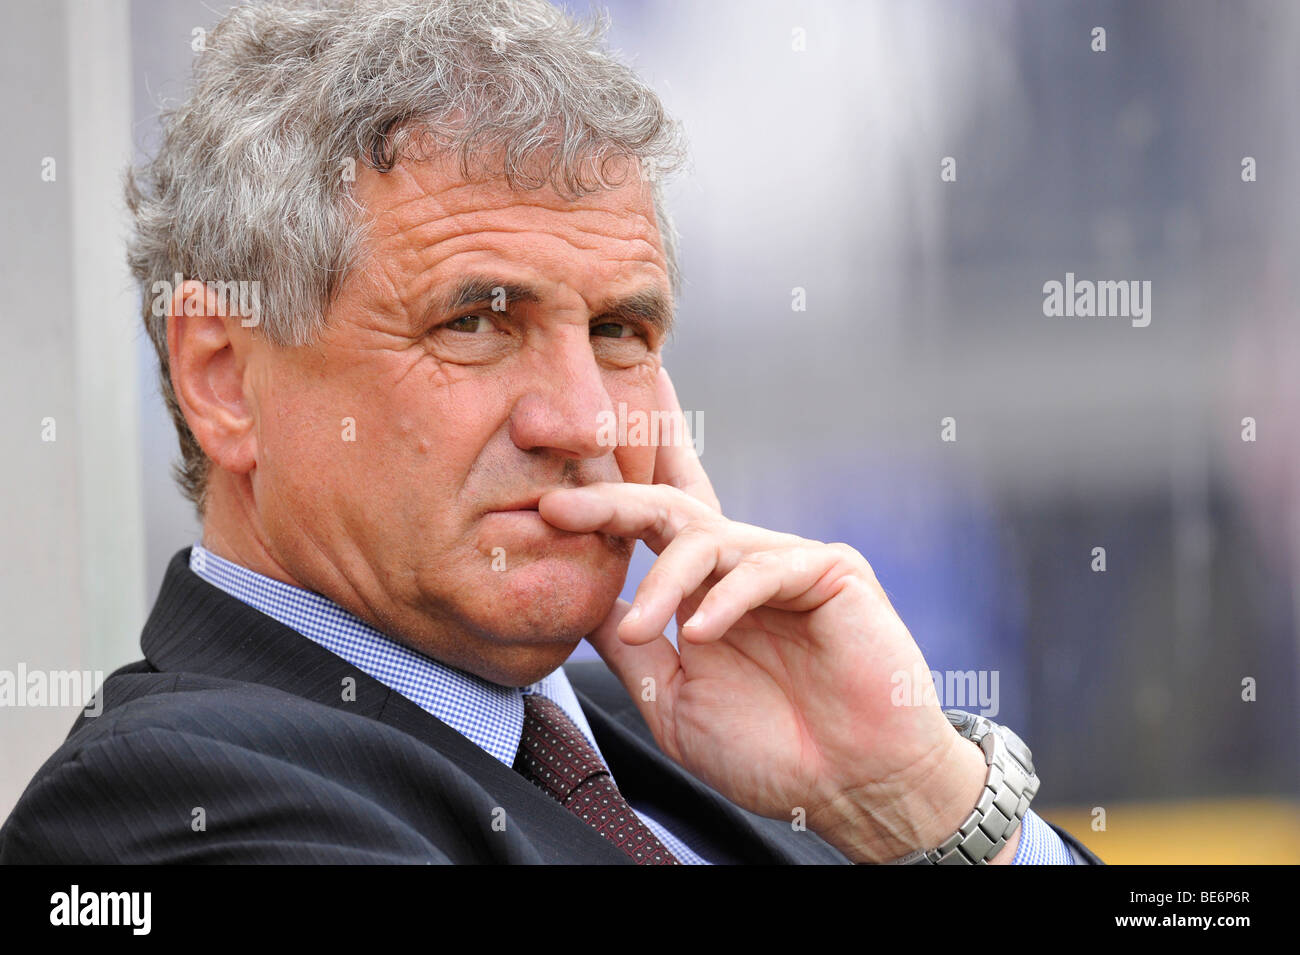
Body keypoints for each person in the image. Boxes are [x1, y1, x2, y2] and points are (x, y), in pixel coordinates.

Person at [0, 0, 1098, 865]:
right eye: (476, 322)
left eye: (620, 329)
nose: (580, 420)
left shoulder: (709, 727)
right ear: (223, 377)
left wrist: (924, 805)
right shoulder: (162, 802)